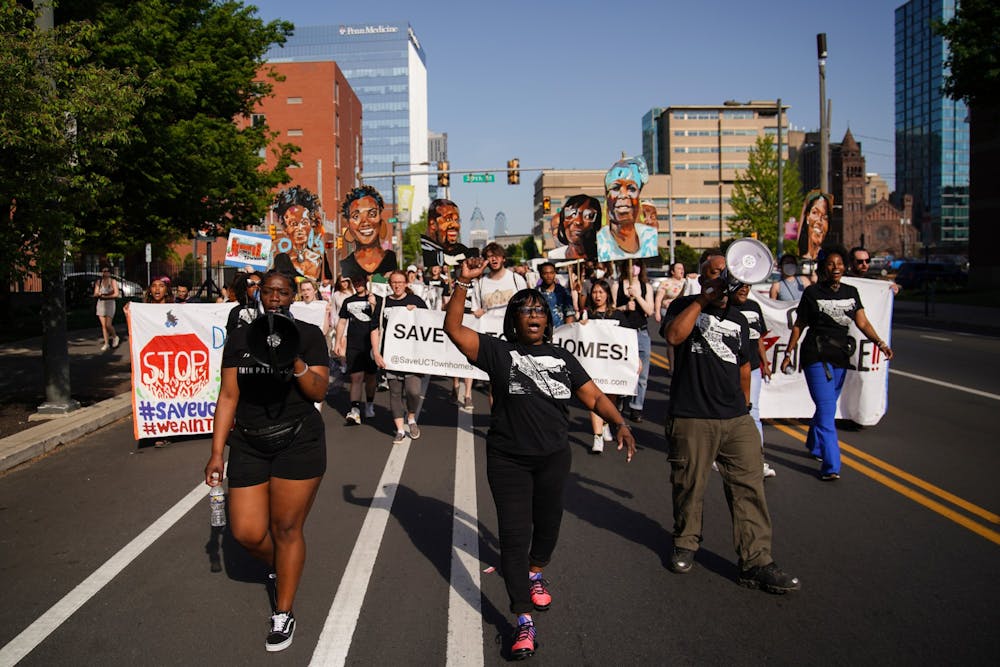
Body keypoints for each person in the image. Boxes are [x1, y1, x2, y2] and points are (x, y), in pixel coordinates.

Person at [443, 256, 636, 660]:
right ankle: (522, 619)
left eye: (539, 310)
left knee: (547, 528)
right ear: (514, 320)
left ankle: (536, 573)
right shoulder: (497, 352)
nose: (533, 315)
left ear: (548, 321)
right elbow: (454, 329)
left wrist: (619, 423)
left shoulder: (563, 358)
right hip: (508, 461)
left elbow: (594, 396)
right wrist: (462, 283)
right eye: (525, 310)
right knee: (514, 537)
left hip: (553, 459)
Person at [204, 269, 329, 653]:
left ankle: (283, 611)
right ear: (259, 295)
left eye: (283, 292)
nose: (275, 297)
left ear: (292, 296)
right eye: (269, 291)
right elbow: (228, 396)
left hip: (298, 441)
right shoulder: (241, 338)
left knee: (287, 527)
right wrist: (216, 452)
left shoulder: (309, 335)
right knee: (246, 532)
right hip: (249, 442)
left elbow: (318, 390)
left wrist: (295, 362)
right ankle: (285, 564)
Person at [663, 252, 800, 593]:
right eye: (716, 273)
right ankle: (685, 543)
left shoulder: (739, 318)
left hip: (736, 418)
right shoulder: (683, 306)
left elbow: (744, 367)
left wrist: (746, 407)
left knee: (749, 488)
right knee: (689, 486)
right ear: (702, 278)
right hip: (693, 415)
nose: (724, 279)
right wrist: (703, 300)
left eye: (728, 272)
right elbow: (675, 337)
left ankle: (756, 561)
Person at [780, 245, 894, 481]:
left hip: (840, 356)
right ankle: (832, 464)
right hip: (816, 355)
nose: (836, 267)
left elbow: (863, 323)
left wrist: (880, 343)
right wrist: (789, 352)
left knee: (827, 406)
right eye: (831, 264)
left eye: (840, 263)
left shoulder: (851, 292)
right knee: (827, 408)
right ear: (824, 267)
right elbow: (799, 324)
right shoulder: (812, 293)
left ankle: (814, 443)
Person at [371, 271, 428, 443]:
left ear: (406, 284)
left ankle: (411, 417)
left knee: (413, 391)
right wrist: (376, 353)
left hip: (412, 356)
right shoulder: (383, 303)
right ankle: (400, 430)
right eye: (394, 282)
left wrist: (416, 313)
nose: (397, 285)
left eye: (400, 282)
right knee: (395, 393)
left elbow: (429, 324)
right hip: (391, 355)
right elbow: (375, 328)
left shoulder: (416, 301)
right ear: (389, 284)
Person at [731, 283, 776, 478]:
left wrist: (764, 362)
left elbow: (758, 338)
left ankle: (757, 459)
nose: (744, 289)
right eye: (739, 285)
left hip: (753, 368)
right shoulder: (722, 306)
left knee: (753, 412)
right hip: (727, 369)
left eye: (748, 285)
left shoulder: (754, 307)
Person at [580, 278, 627, 453]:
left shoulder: (617, 315)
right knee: (594, 398)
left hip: (612, 365)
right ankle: (597, 437)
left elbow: (628, 339)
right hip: (593, 364)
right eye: (594, 292)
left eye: (601, 292)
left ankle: (606, 423)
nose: (597, 296)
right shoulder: (587, 315)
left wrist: (635, 360)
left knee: (609, 398)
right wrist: (581, 325)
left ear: (607, 294)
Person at [334, 274, 380, 424]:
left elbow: (380, 320)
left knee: (371, 377)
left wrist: (373, 305)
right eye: (355, 281)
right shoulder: (348, 301)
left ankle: (369, 404)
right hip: (354, 344)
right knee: (356, 377)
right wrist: (338, 342)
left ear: (366, 281)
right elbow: (342, 322)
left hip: (371, 345)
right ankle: (355, 410)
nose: (357, 283)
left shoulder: (377, 299)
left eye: (360, 280)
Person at [596, 156, 659, 261]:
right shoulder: (603, 241)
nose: (623, 195)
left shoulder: (648, 237)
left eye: (631, 189)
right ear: (607, 196)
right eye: (616, 188)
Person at [614, 260, 653, 422]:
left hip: (641, 333)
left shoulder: (646, 286)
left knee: (642, 374)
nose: (633, 268)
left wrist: (637, 296)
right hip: (623, 333)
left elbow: (649, 311)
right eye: (630, 265)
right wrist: (624, 308)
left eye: (636, 265)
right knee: (623, 370)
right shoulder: (617, 285)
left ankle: (637, 407)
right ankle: (621, 398)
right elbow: (611, 309)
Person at [339, 185, 397, 280]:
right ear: (349, 226)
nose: (365, 222)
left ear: (381, 221)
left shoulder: (391, 259)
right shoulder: (346, 266)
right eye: (356, 216)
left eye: (372, 214)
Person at [274, 186, 325, 281]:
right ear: (285, 229)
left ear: (311, 225)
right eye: (294, 224)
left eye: (304, 222)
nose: (300, 229)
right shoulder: (280, 261)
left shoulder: (317, 259)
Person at [476, 243, 528, 315]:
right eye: (490, 256)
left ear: (503, 258)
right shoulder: (480, 284)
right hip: (488, 322)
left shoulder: (517, 279)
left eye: (497, 255)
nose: (494, 259)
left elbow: (526, 305)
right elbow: (475, 311)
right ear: (486, 261)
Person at [653, 261, 686, 376]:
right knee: (671, 341)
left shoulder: (686, 282)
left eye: (682, 268)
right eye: (678, 268)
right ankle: (672, 367)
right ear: (672, 271)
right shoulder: (666, 283)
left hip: (683, 314)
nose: (681, 270)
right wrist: (657, 312)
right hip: (669, 313)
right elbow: (658, 298)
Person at [421, 198, 471, 268]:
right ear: (433, 224)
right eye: (448, 219)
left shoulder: (463, 250)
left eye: (457, 220)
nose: (455, 225)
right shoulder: (425, 252)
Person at [548, 194, 600, 260]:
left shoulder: (604, 254)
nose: (578, 221)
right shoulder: (554, 256)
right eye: (572, 214)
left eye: (588, 216)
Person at [797, 191, 833, 262]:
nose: (820, 221)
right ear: (807, 217)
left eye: (825, 217)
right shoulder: (797, 259)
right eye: (815, 213)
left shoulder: (828, 260)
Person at [536, 262, 576, 327]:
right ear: (540, 274)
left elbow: (570, 314)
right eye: (545, 273)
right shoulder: (536, 293)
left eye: (551, 273)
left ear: (555, 273)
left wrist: (567, 329)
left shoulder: (564, 292)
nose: (549, 276)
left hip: (561, 329)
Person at [93, 265, 120, 351]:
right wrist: (98, 294)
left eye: (107, 271)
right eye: (104, 271)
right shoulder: (99, 282)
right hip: (101, 303)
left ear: (109, 272)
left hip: (110, 303)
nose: (105, 273)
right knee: (104, 326)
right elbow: (95, 293)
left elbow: (116, 294)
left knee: (108, 324)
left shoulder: (113, 281)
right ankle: (106, 343)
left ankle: (115, 337)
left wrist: (106, 296)